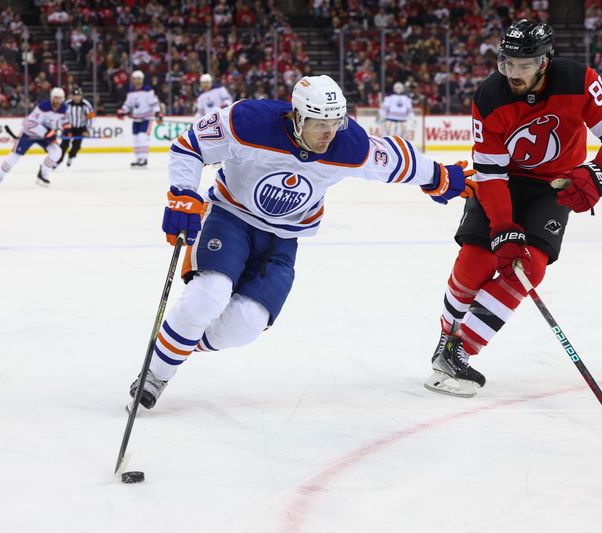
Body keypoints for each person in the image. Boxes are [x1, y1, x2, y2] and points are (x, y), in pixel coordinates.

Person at [128, 75, 477, 409]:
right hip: (229, 216)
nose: (328, 133)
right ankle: (156, 374)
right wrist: (182, 193)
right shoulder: (248, 121)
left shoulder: (348, 144)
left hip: (283, 238)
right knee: (207, 296)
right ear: (297, 117)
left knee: (247, 323)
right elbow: (190, 145)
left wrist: (440, 176)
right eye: (319, 124)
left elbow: (393, 159)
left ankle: (179, 344)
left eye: (335, 122)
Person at [423, 19, 602, 398]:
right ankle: (446, 339)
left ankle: (461, 348)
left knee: (530, 267)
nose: (514, 73)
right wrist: (503, 226)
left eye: (523, 65)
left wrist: (599, 171)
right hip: (502, 182)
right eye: (507, 63)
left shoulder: (579, 81)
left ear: (544, 62)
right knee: (475, 262)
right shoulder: (490, 97)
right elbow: (491, 174)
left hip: (550, 188)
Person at [0, 87, 68, 187]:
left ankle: (43, 174)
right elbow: (30, 123)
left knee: (57, 151)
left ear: (63, 99)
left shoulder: (64, 109)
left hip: (45, 135)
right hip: (29, 133)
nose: (57, 101)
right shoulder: (43, 107)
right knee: (14, 156)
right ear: (51, 98)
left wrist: (64, 131)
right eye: (55, 98)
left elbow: (62, 122)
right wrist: (47, 133)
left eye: (60, 98)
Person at [116, 70, 162, 167]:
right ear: (132, 80)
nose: (137, 81)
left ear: (142, 79)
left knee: (142, 137)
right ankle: (138, 158)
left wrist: (157, 113)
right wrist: (122, 111)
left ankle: (144, 158)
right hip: (136, 118)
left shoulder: (148, 90)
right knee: (136, 138)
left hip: (146, 118)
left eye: (139, 78)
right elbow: (127, 105)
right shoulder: (131, 92)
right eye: (135, 78)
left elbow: (155, 103)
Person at [57, 87, 95, 168]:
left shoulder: (86, 104)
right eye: (75, 95)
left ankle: (71, 156)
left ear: (81, 96)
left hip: (80, 128)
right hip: (68, 127)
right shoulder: (67, 104)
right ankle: (58, 161)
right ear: (72, 96)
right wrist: (64, 128)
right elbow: (62, 116)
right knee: (64, 145)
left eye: (78, 95)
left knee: (76, 145)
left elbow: (91, 117)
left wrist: (87, 130)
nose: (77, 97)